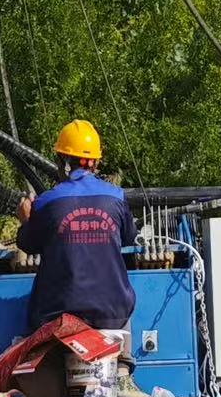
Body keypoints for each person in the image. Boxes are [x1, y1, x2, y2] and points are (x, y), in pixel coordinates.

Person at [16, 119, 137, 333]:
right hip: (113, 316)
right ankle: (124, 365)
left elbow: (28, 244)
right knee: (124, 328)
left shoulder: (47, 202)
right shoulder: (117, 197)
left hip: (57, 317)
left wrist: (26, 219)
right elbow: (129, 238)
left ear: (62, 160)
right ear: (96, 162)